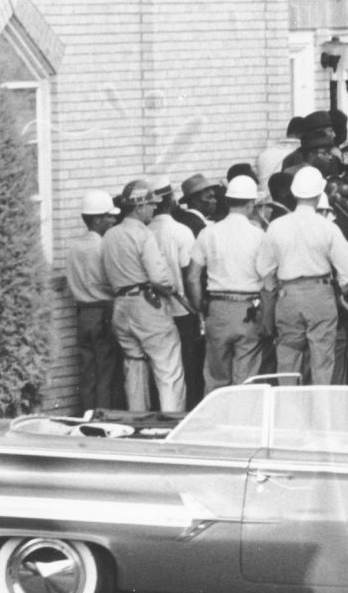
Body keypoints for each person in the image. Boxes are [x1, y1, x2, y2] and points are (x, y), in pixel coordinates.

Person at [254, 165, 348, 387]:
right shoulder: (328, 228)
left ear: (294, 193)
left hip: (287, 295)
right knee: (322, 359)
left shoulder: (276, 226)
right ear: (320, 193)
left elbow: (264, 269)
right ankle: (320, 412)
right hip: (321, 294)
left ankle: (289, 411)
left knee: (288, 357)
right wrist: (339, 291)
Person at [101, 178, 188, 413]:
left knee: (134, 366)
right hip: (146, 304)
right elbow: (160, 278)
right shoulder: (143, 234)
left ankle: (137, 420)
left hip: (120, 305)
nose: (154, 208)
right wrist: (171, 288)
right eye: (150, 204)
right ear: (139, 207)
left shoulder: (110, 235)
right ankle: (172, 420)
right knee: (167, 367)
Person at [186, 172, 268, 393]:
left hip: (217, 308)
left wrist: (200, 308)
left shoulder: (208, 232)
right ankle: (242, 422)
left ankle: (216, 421)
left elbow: (192, 277)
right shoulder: (258, 235)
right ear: (251, 204)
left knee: (215, 376)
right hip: (249, 308)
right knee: (247, 377)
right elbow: (269, 277)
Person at [65, 190, 124, 410]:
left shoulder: (73, 247)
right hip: (103, 312)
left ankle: (87, 414)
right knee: (106, 370)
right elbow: (110, 281)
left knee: (88, 371)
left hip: (82, 314)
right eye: (109, 216)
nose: (113, 220)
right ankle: (103, 416)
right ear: (98, 219)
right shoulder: (103, 246)